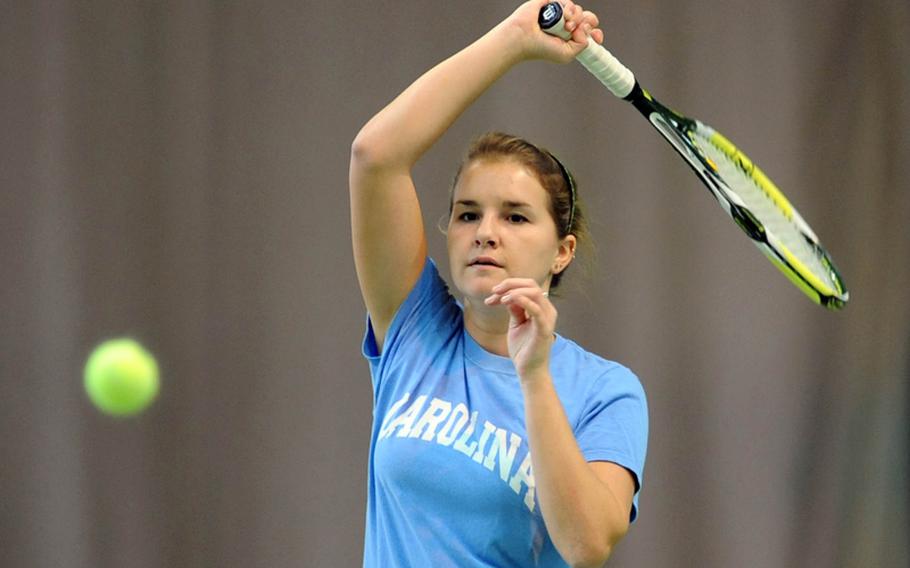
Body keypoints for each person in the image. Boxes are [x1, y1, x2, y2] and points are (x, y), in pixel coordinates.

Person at [349, 1, 647, 566]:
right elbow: (374, 155)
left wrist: (533, 377)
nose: (485, 232)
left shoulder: (607, 391)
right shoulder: (414, 331)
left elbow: (587, 544)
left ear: (562, 252)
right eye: (467, 214)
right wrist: (513, 39)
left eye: (514, 216)